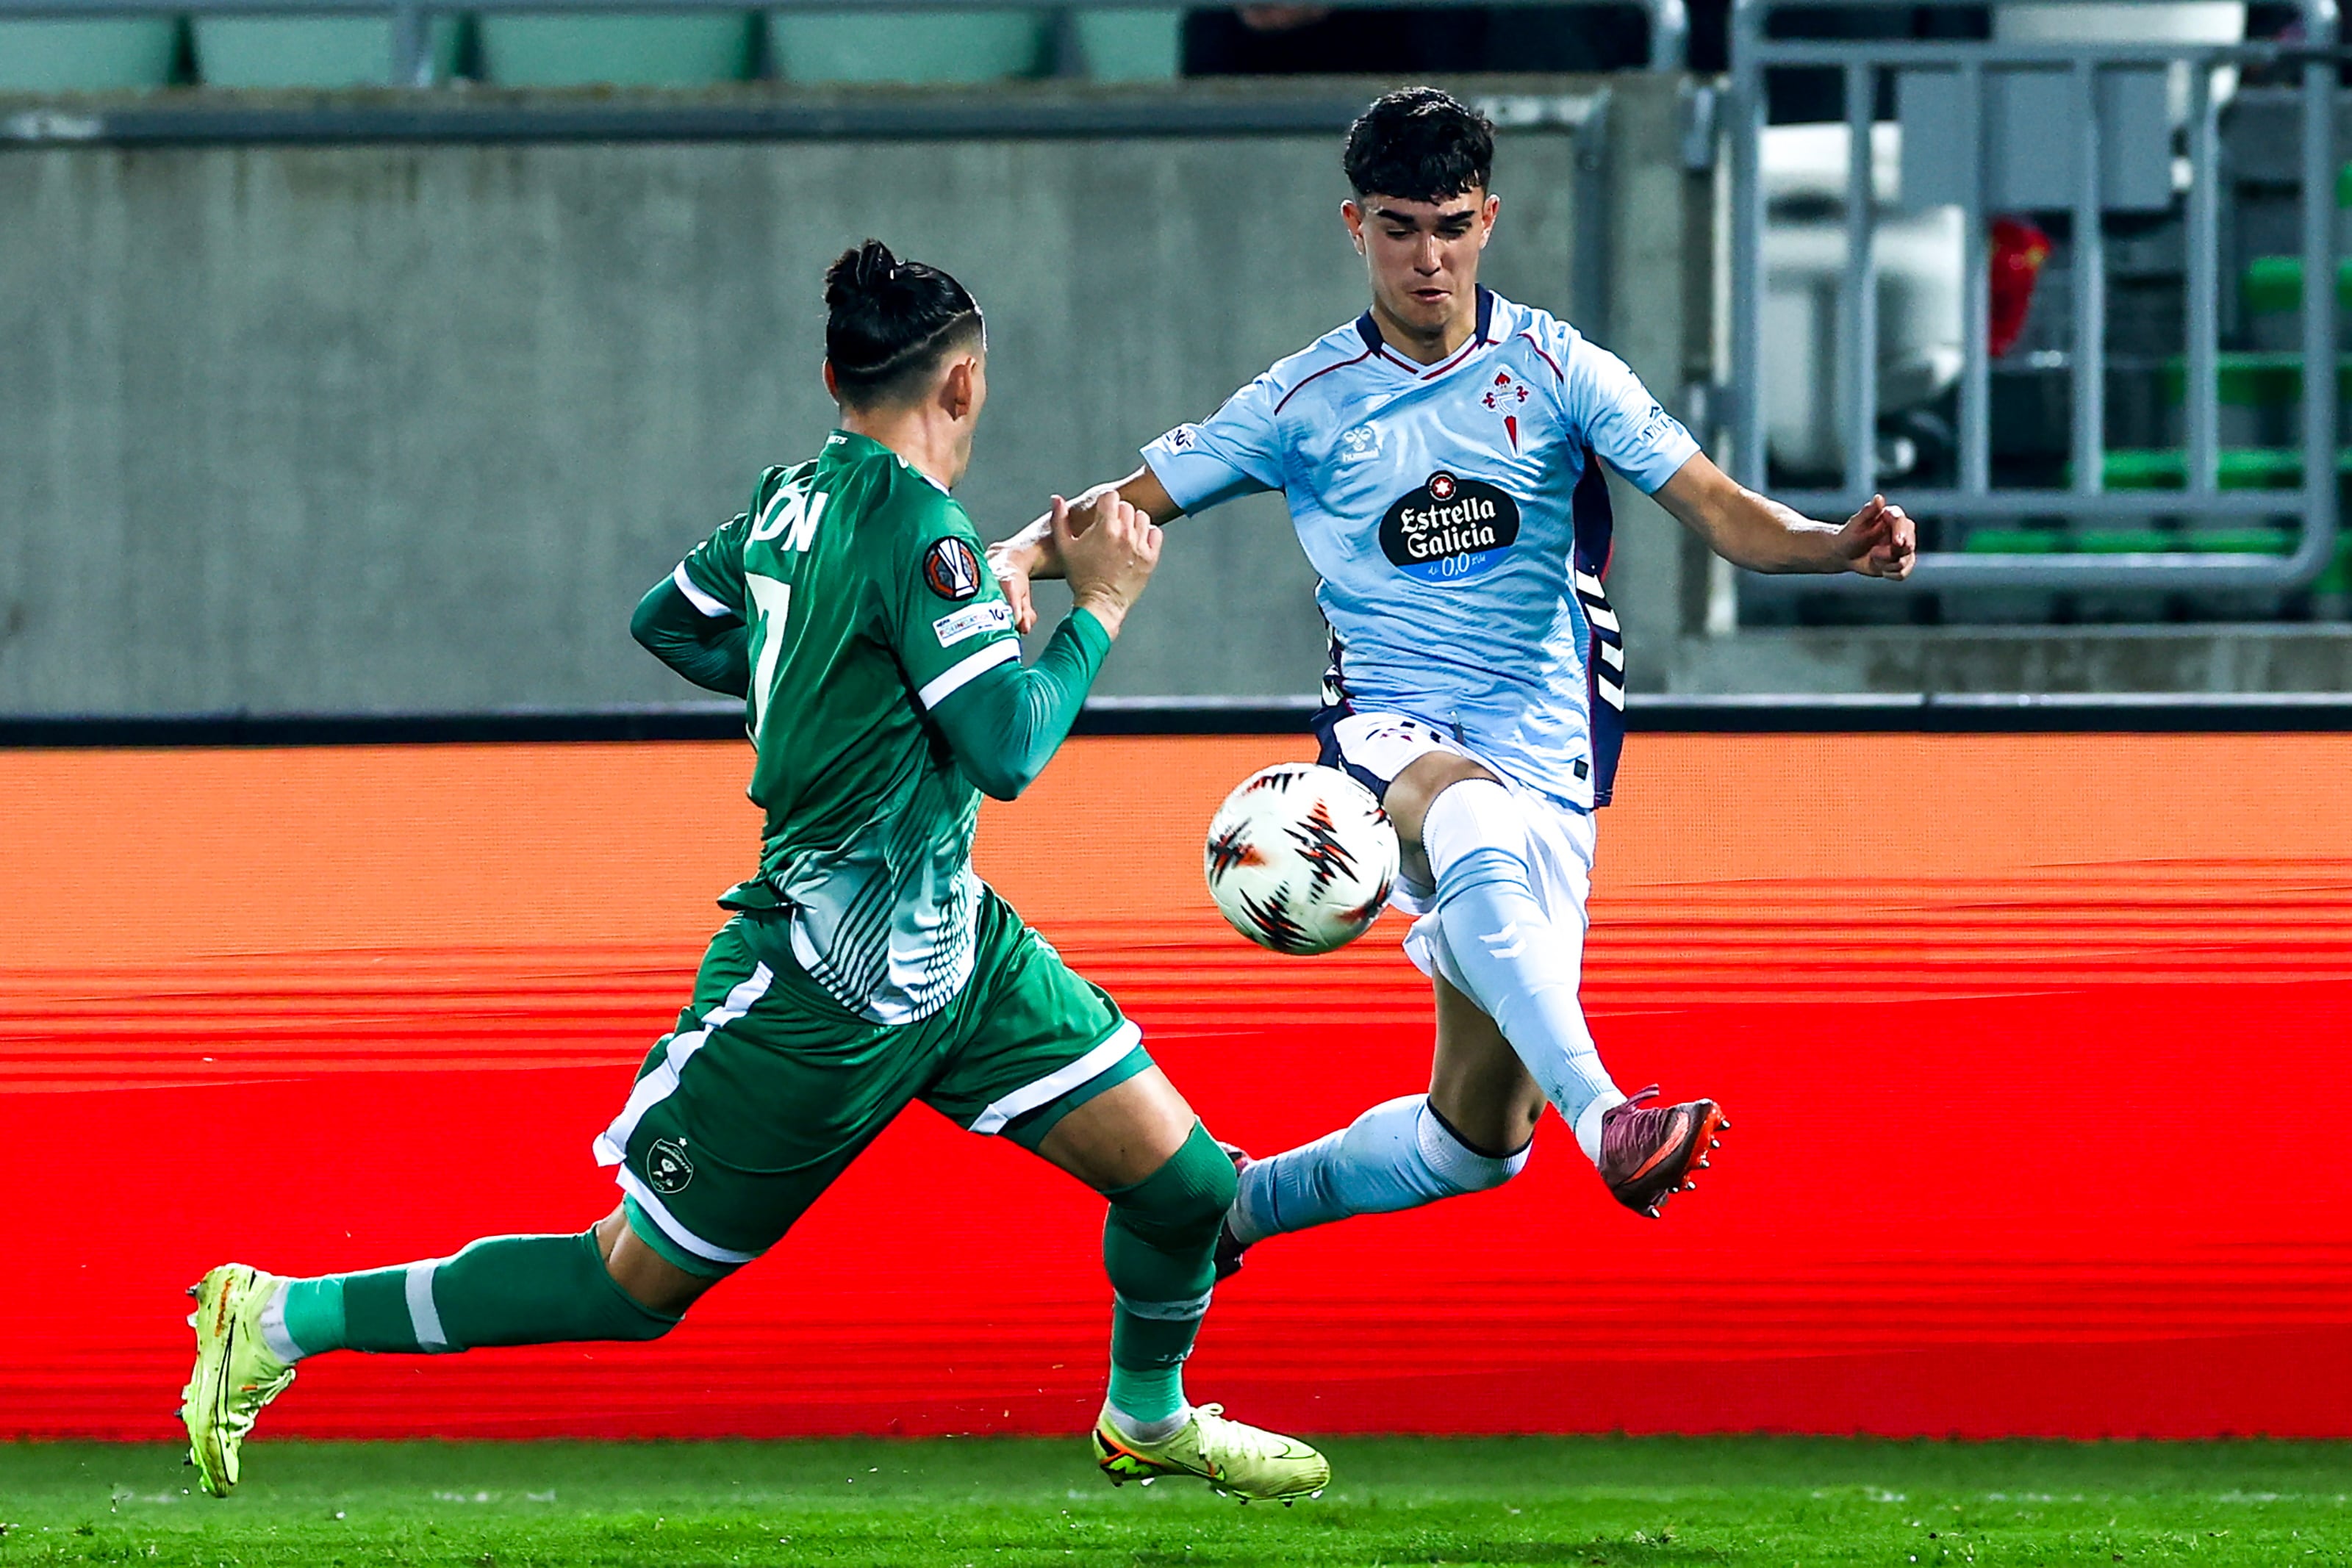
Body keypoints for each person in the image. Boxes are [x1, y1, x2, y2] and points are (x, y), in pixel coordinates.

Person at [177, 240, 1330, 1505]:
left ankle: (1146, 1418)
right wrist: (1099, 606)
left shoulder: (790, 501)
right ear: (963, 384)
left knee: (1186, 1187)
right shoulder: (925, 534)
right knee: (625, 1285)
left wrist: (823, 686)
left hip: (960, 962)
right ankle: (276, 1316)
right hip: (820, 989)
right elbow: (1007, 749)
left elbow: (667, 619)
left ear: (835, 378)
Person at [987, 89, 1915, 1274]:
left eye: (1451, 226)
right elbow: (1119, 507)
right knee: (1466, 810)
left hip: (1550, 749)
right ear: (1355, 225)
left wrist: (1835, 543)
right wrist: (1015, 552)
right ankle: (1610, 1115)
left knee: (1479, 1142)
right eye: (1399, 228)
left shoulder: (1562, 369)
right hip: (1390, 734)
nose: (1427, 257)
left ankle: (1230, 1210)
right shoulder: (1302, 402)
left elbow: (1727, 514)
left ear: (1489, 220)